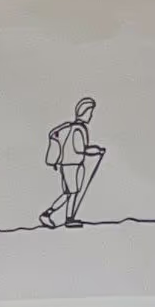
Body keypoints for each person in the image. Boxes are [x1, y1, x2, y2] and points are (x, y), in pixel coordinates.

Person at [41, 97, 102, 227]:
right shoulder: (79, 129)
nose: (91, 116)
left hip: (66, 165)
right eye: (90, 112)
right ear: (84, 112)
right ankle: (67, 219)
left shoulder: (71, 128)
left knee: (68, 193)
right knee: (72, 193)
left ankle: (48, 214)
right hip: (72, 165)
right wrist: (97, 150)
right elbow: (80, 149)